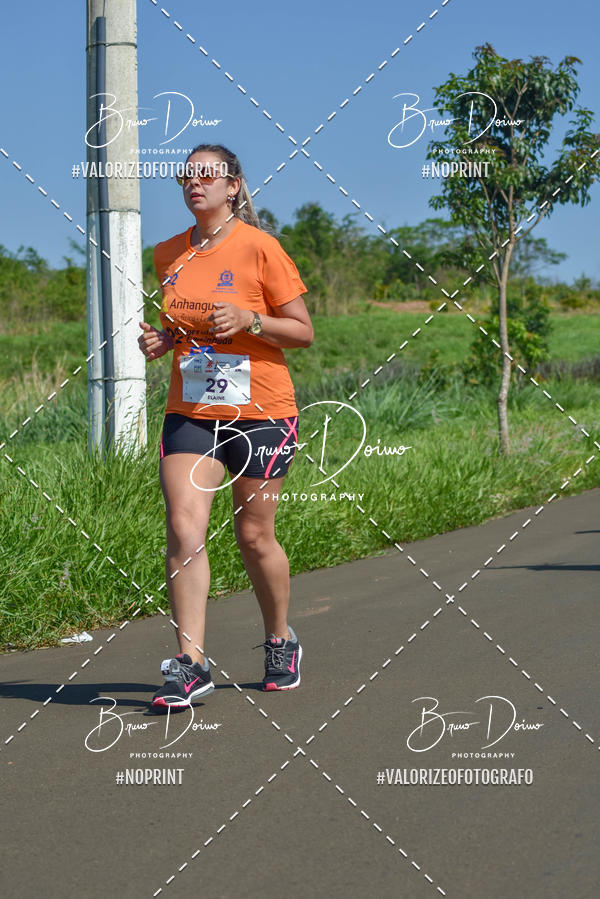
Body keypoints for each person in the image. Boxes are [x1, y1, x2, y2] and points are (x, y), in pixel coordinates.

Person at [137, 143, 313, 709]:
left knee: (255, 536)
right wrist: (161, 341)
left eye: (208, 176)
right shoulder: (168, 253)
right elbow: (179, 326)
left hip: (260, 411)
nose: (196, 183)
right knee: (185, 530)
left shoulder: (261, 248)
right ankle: (190, 664)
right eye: (188, 176)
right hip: (190, 411)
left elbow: (302, 331)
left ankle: (280, 640)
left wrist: (250, 319)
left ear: (234, 186)